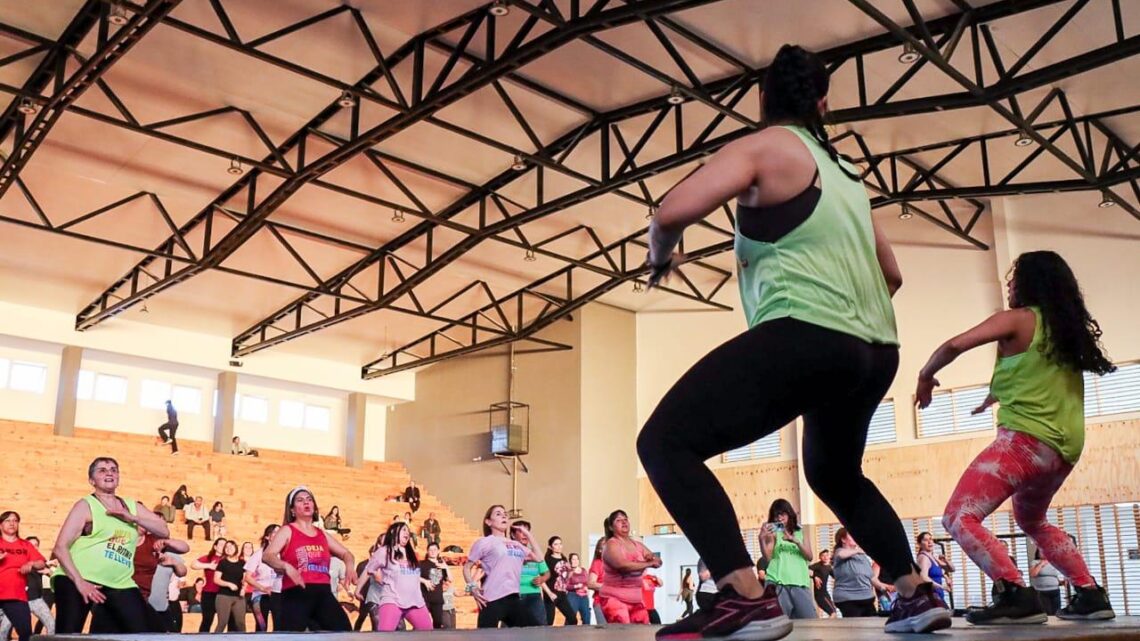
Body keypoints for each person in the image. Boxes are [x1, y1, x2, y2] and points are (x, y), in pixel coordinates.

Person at [636, 43, 950, 639]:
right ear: (824, 103)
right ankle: (913, 592)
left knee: (664, 442)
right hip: (877, 348)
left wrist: (661, 258)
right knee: (835, 474)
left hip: (809, 333)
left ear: (762, 99)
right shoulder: (848, 177)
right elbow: (893, 276)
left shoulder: (766, 146)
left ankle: (742, 595)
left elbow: (671, 209)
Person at [920, 250, 1118, 624]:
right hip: (1063, 450)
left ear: (1030, 284)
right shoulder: (1061, 331)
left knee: (958, 516)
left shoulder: (1018, 319)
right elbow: (1037, 378)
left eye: (1014, 278)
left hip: (1025, 442)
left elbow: (953, 345)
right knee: (1032, 520)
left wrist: (925, 374)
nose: (1008, 284)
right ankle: (1091, 594)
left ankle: (1015, 593)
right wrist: (993, 396)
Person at [51, 457, 170, 633]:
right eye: (102, 470)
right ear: (92, 480)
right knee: (68, 634)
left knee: (147, 631)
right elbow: (60, 547)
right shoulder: (86, 505)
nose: (109, 472)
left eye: (114, 469)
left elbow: (163, 530)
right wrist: (80, 582)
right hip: (78, 578)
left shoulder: (131, 505)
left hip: (119, 582)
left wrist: (132, 518)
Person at [264, 486, 356, 631]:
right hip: (296, 592)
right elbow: (267, 555)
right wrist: (286, 567)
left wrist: (350, 566)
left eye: (309, 499)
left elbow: (347, 554)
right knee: (290, 636)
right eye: (300, 500)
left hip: (323, 592)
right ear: (292, 510)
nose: (306, 503)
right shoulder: (288, 530)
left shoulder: (321, 534)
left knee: (343, 631)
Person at [463, 504, 541, 628]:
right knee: (485, 637)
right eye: (498, 514)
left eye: (505, 513)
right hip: (491, 599)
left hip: (513, 598)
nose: (504, 515)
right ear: (488, 522)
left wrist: (527, 533)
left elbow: (539, 558)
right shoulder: (484, 542)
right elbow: (467, 567)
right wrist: (472, 588)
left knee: (534, 631)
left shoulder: (516, 544)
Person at [362, 521, 432, 631]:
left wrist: (424, 581)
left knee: (429, 634)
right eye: (404, 530)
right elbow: (369, 570)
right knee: (385, 636)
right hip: (392, 600)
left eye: (408, 531)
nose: (407, 533)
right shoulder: (384, 551)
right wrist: (357, 590)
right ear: (394, 532)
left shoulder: (411, 553)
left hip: (415, 601)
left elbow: (411, 576)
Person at [600, 510, 658, 624]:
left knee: (642, 632)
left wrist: (650, 558)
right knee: (623, 632)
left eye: (625, 519)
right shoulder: (611, 545)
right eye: (619, 520)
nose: (624, 522)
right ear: (611, 527)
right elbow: (622, 566)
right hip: (614, 599)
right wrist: (648, 563)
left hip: (635, 599)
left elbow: (657, 561)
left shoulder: (637, 545)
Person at [760, 500, 814, 619]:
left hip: (800, 583)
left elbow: (809, 556)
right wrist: (762, 539)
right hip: (778, 583)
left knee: (810, 621)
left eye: (782, 514)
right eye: (776, 515)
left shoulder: (801, 532)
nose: (779, 518)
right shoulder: (773, 533)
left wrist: (795, 541)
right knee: (779, 623)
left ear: (789, 514)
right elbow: (767, 557)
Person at [130, 526, 189, 632]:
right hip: (138, 605)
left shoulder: (169, 553)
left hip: (160, 607)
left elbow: (182, 572)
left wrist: (173, 562)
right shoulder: (139, 548)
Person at [0, 511, 47, 641]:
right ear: (0, 525)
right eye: (8, 521)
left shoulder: (25, 545)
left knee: (26, 634)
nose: (12, 523)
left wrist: (31, 563)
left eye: (15, 521)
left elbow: (41, 563)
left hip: (16, 596)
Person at [831, 528, 879, 618]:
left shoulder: (863, 557)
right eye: (851, 535)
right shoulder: (839, 552)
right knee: (855, 628)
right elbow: (842, 554)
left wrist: (883, 587)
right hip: (848, 599)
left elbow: (871, 577)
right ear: (843, 539)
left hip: (867, 598)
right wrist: (858, 550)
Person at [243, 524, 281, 632]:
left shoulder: (284, 553)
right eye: (274, 532)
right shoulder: (258, 554)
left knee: (279, 626)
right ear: (267, 537)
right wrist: (263, 589)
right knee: (261, 626)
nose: (278, 534)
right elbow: (248, 577)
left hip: (278, 594)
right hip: (260, 595)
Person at [511, 520, 549, 626]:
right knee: (512, 630)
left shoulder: (534, 553)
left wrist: (542, 579)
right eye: (521, 531)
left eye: (527, 531)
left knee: (540, 627)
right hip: (515, 595)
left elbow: (546, 572)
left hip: (534, 595)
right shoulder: (508, 552)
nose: (525, 534)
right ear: (513, 535)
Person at [192, 537, 227, 631]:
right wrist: (209, 566)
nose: (223, 546)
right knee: (207, 619)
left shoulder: (227, 559)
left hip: (223, 593)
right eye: (220, 544)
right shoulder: (209, 558)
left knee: (224, 620)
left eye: (225, 544)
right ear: (215, 546)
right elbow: (193, 564)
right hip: (209, 593)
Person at [213, 540, 246, 632]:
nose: (229, 549)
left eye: (231, 546)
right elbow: (216, 579)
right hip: (224, 596)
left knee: (241, 623)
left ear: (236, 548)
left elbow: (245, 578)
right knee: (222, 622)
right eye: (226, 547)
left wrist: (244, 588)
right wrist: (228, 584)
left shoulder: (242, 563)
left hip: (239, 597)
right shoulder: (222, 563)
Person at [543, 535, 577, 624]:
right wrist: (549, 593)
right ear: (551, 547)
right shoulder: (548, 560)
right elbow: (543, 578)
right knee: (549, 621)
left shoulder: (564, 559)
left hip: (562, 593)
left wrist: (571, 570)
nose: (559, 546)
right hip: (551, 594)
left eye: (560, 544)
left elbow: (566, 577)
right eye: (556, 544)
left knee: (573, 619)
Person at [419, 542, 449, 629]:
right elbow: (413, 576)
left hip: (437, 600)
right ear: (427, 551)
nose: (432, 552)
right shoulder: (422, 564)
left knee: (438, 624)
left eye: (435, 549)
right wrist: (424, 581)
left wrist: (446, 567)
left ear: (438, 551)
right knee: (422, 624)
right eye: (430, 550)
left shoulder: (441, 565)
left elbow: (450, 579)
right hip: (424, 599)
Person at [915, 533, 950, 603]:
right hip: (929, 598)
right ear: (920, 544)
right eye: (925, 540)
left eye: (930, 539)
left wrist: (946, 577)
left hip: (938, 595)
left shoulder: (933, 557)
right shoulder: (924, 557)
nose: (929, 542)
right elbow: (923, 577)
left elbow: (934, 573)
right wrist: (942, 587)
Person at [1030, 547, 1065, 616]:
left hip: (1055, 590)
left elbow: (1054, 577)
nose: (1043, 553)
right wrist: (1041, 564)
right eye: (1041, 552)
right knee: (1047, 613)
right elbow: (1033, 574)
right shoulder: (1035, 562)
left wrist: (1061, 582)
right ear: (1038, 553)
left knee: (1056, 612)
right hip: (1042, 592)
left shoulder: (1053, 562)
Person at [565, 553, 592, 625]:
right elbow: (565, 586)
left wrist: (586, 587)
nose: (575, 561)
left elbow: (587, 582)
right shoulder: (569, 572)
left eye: (577, 559)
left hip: (584, 596)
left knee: (587, 618)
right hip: (573, 596)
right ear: (570, 561)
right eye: (573, 559)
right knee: (571, 618)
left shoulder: (583, 570)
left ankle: (585, 635)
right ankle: (566, 634)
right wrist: (575, 586)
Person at [809, 549, 836, 618]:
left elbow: (836, 577)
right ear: (820, 557)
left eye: (827, 555)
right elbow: (807, 570)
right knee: (833, 613)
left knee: (833, 613)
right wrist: (815, 577)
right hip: (820, 595)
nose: (825, 557)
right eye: (823, 556)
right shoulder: (817, 565)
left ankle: (829, 627)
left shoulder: (829, 567)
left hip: (825, 594)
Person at [587, 538, 606, 625]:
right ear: (599, 551)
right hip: (601, 603)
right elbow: (590, 584)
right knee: (605, 634)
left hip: (616, 604)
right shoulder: (597, 563)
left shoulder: (616, 564)